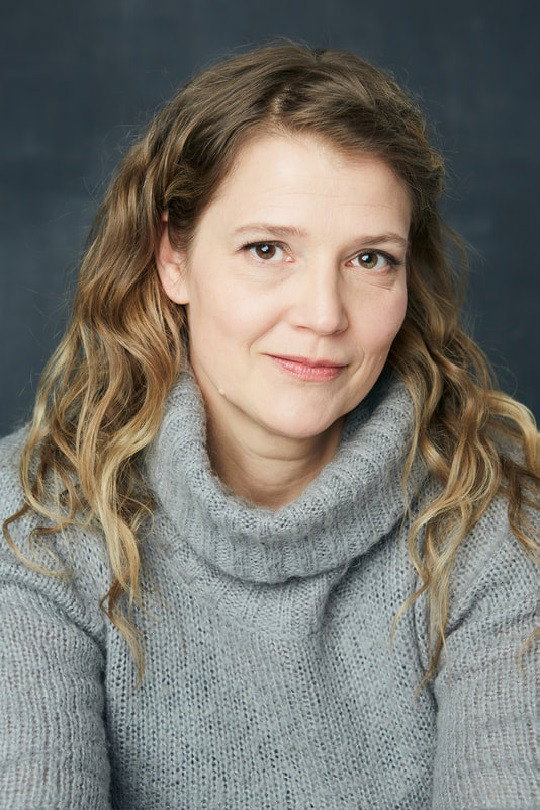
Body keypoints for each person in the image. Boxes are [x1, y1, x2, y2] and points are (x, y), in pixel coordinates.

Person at [0, 38, 538, 810]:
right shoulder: (31, 522)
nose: (323, 315)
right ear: (174, 259)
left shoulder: (501, 521)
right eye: (267, 249)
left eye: (369, 260)